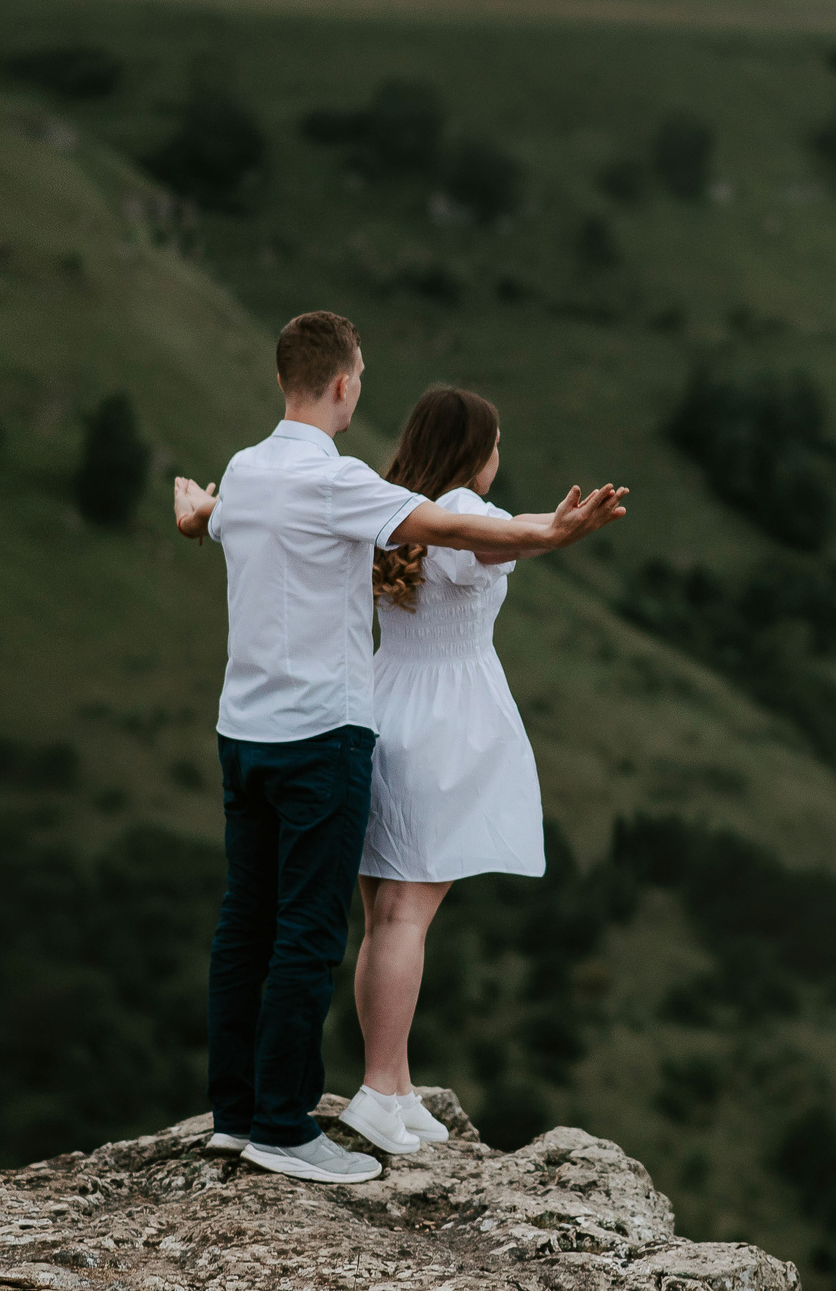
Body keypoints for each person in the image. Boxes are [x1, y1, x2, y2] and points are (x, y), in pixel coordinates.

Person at [170, 310, 627, 1184]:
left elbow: (220, 518)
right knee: (312, 932)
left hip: (245, 734)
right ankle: (287, 1122)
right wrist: (554, 534)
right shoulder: (337, 483)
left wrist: (194, 514)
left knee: (246, 928)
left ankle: (240, 1113)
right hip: (324, 734)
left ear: (281, 380)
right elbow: (458, 528)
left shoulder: (247, 470)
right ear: (343, 384)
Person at [333, 387, 545, 1157]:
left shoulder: (389, 506)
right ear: (471, 451)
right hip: (446, 721)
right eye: (495, 443)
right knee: (406, 915)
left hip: (383, 706)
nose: (500, 457)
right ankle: (380, 1091)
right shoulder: (459, 508)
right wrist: (559, 528)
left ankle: (394, 1079)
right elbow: (505, 541)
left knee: (382, 914)